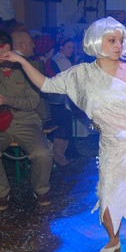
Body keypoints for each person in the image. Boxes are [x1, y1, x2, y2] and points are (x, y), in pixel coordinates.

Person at [0, 17, 126, 252]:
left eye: (120, 40)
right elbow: (46, 84)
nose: (118, 45)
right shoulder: (80, 74)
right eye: (111, 40)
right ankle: (113, 240)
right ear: (95, 41)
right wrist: (21, 61)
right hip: (112, 146)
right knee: (107, 197)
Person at [0, 30, 53, 211]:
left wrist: (6, 100)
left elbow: (32, 103)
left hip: (26, 121)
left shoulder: (27, 69)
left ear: (6, 48)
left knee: (42, 153)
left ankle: (41, 189)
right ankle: (0, 192)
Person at [48, 38, 77, 166]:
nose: (71, 50)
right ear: (61, 47)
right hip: (59, 99)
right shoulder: (63, 61)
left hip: (54, 99)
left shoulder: (55, 58)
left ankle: (61, 153)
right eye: (69, 47)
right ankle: (61, 155)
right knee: (65, 120)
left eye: (72, 47)